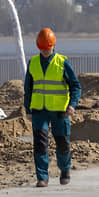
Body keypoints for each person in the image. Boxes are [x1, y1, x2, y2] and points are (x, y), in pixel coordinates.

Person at [23, 27, 82, 187]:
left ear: (53, 46)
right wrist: (28, 109)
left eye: (47, 49)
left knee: (62, 143)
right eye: (42, 49)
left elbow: (75, 86)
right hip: (39, 111)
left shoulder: (62, 62)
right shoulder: (33, 62)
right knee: (40, 144)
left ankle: (65, 170)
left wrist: (72, 105)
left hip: (60, 111)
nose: (45, 52)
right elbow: (28, 88)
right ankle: (42, 177)